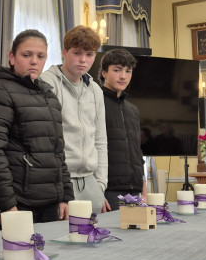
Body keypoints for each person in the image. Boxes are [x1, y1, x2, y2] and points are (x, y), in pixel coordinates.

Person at [0, 29, 73, 229]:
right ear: (12, 57)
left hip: (50, 203)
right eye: (26, 55)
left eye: (41, 56)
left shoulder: (49, 96)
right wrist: (6, 204)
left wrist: (66, 195)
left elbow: (57, 152)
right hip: (17, 203)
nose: (34, 61)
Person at [41, 26, 108, 213]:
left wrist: (100, 184)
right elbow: (47, 140)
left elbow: (101, 139)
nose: (83, 60)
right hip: (61, 181)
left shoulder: (95, 90)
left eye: (89, 54)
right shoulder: (47, 83)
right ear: (64, 52)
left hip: (91, 183)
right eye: (77, 53)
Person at [99, 48, 146, 211]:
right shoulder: (95, 102)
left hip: (134, 188)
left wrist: (144, 188)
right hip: (108, 189)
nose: (123, 76)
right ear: (104, 72)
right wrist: (97, 191)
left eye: (128, 71)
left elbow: (137, 153)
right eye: (117, 70)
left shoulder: (133, 110)